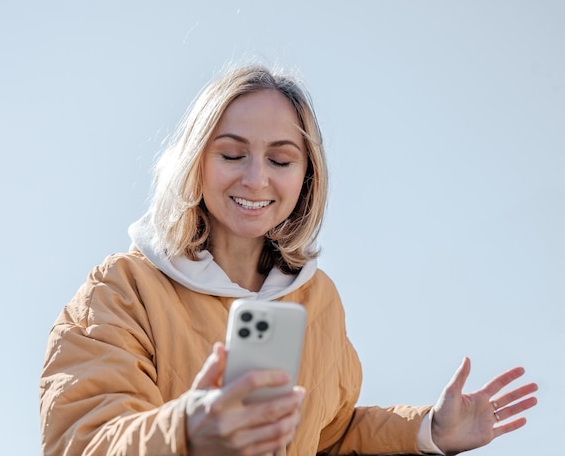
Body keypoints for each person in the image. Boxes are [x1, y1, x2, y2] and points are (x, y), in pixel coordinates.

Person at [39, 65, 538, 456]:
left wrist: (429, 430)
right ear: (195, 161)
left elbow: (330, 435)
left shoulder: (317, 301)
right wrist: (188, 431)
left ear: (306, 176)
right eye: (232, 154)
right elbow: (81, 438)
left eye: (280, 160)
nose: (256, 179)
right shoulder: (123, 288)